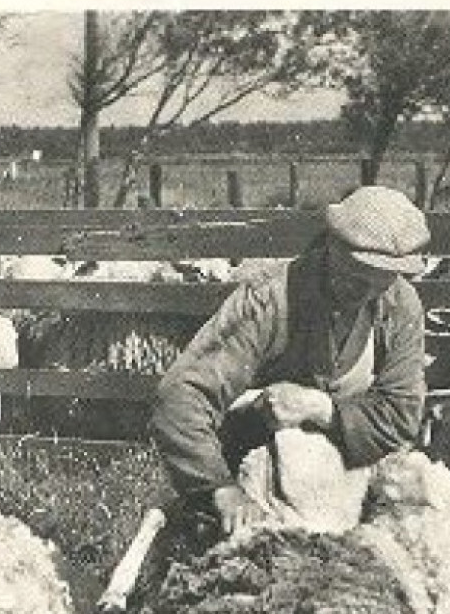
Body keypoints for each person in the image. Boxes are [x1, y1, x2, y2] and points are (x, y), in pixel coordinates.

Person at [149, 185, 431, 538]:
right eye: (357, 275)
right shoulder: (268, 301)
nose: (366, 292)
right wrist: (219, 489)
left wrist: (320, 408)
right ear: (332, 247)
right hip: (255, 477)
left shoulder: (400, 305)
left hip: (349, 484)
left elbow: (401, 416)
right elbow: (181, 396)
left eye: (381, 281)